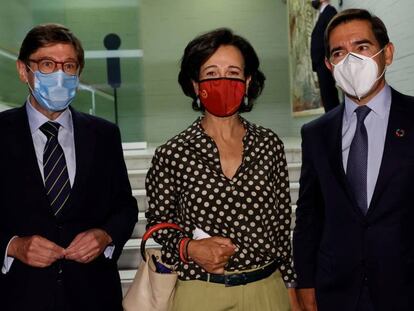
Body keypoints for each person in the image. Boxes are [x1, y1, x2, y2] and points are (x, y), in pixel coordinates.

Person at [146, 28, 300, 311]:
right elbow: (157, 223)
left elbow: (281, 226)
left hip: (267, 290)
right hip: (201, 292)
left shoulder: (269, 145)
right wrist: (189, 248)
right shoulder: (173, 153)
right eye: (212, 74)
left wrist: (290, 287)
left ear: (247, 81)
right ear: (195, 84)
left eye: (233, 73)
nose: (223, 81)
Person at [0, 24, 138, 311]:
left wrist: (106, 235)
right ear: (24, 70)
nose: (60, 75)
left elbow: (124, 206)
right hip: (17, 296)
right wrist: (13, 246)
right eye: (47, 64)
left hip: (93, 295)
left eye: (69, 66)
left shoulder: (104, 134)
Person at [293, 8, 414, 311]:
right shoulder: (316, 134)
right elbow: (309, 216)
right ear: (328, 65)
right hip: (336, 292)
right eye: (338, 53)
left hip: (406, 288)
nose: (351, 61)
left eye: (362, 47)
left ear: (387, 53)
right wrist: (305, 282)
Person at [310, 0, 340, 112]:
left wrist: (330, 58)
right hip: (321, 63)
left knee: (329, 95)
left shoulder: (330, 11)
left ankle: (334, 124)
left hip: (326, 62)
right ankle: (332, 123)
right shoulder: (322, 14)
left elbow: (334, 35)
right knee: (326, 96)